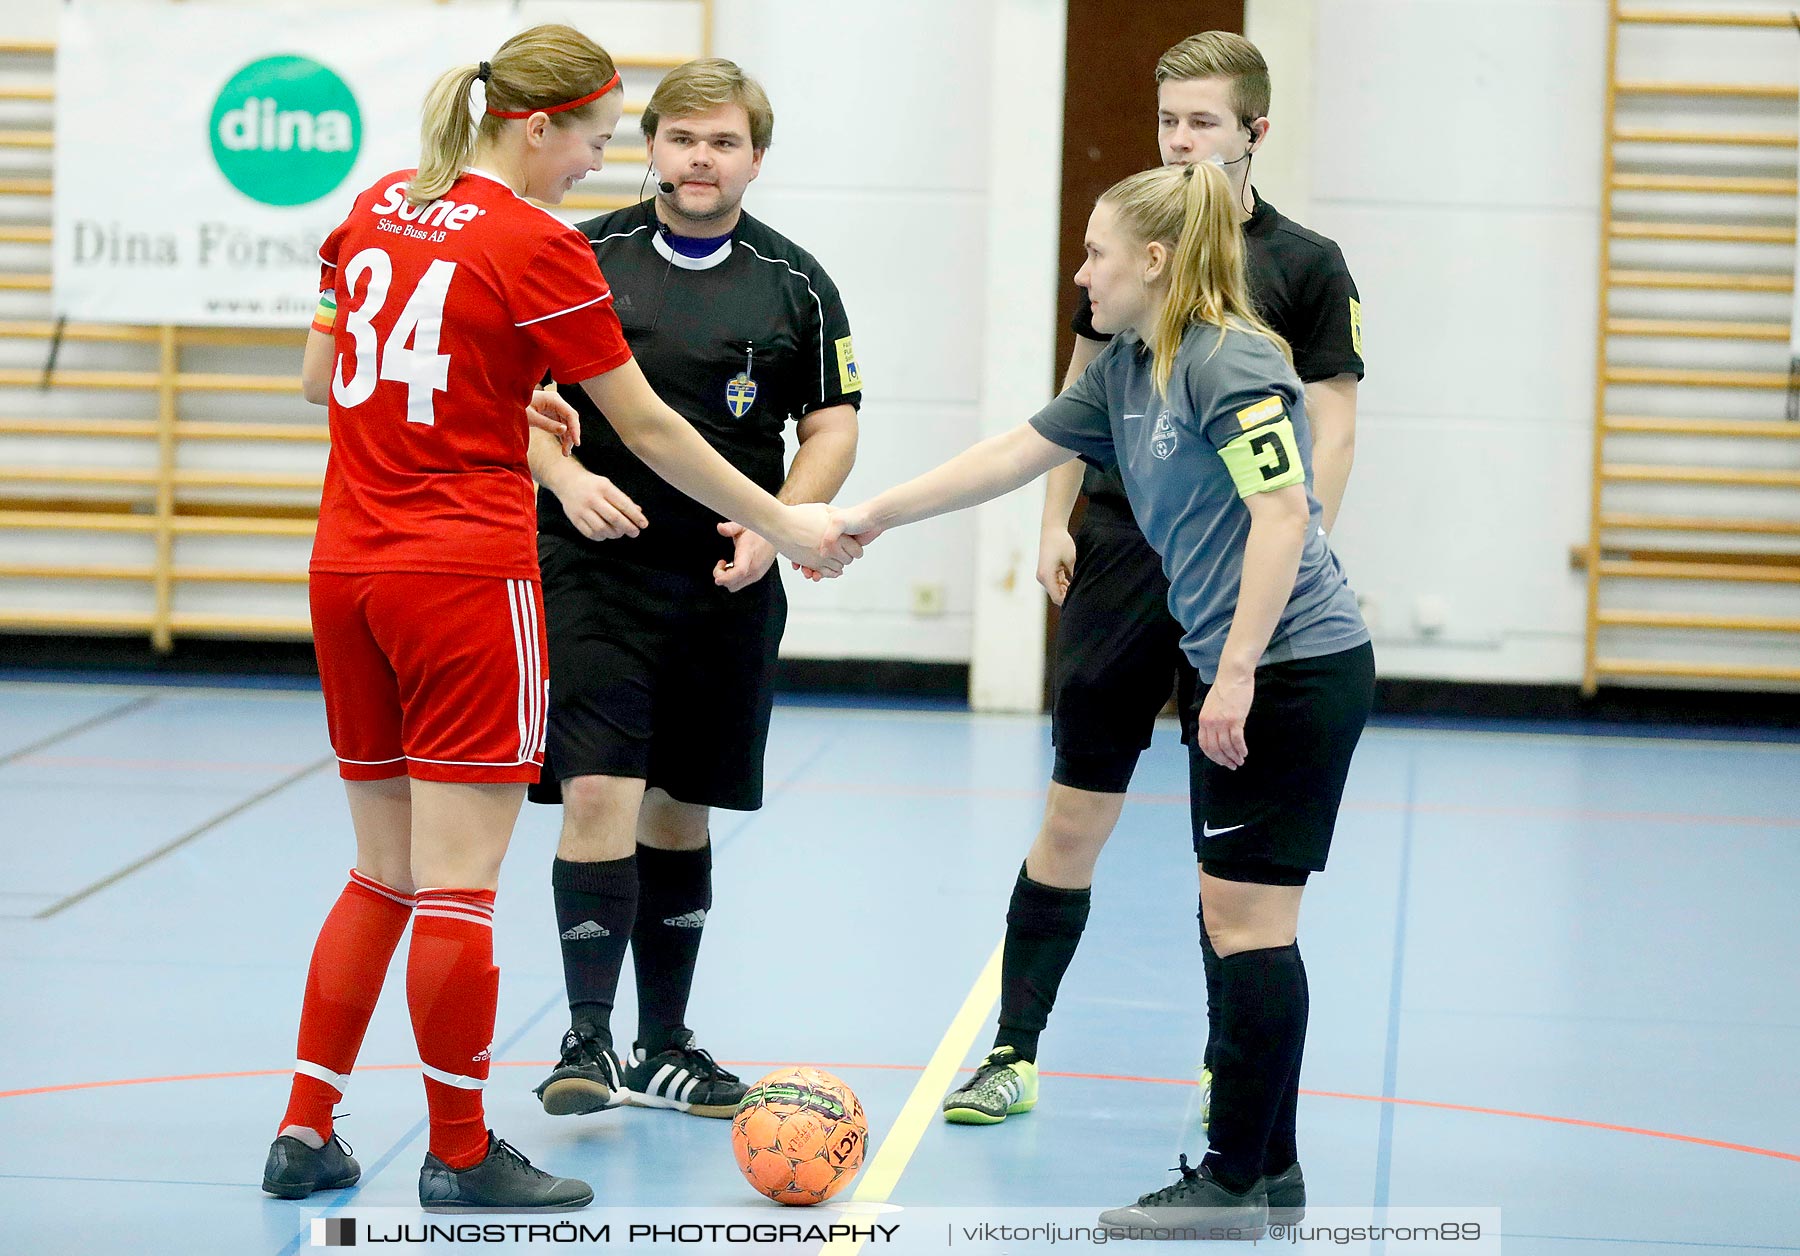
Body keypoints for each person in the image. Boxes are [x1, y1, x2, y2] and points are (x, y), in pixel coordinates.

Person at [264, 25, 850, 1213]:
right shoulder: (536, 243)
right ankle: (464, 1151)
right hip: (464, 577)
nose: (598, 162)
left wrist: (501, 402)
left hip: (348, 567)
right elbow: (650, 431)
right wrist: (787, 524)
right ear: (535, 127)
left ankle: (304, 1125)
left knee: (380, 869)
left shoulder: (379, 202)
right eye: (591, 138)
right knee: (457, 886)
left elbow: (322, 382)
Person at [831, 162, 1375, 1235]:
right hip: (1261, 663)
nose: (1082, 271)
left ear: (1155, 263)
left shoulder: (1234, 361)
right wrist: (872, 516)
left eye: (1096, 252)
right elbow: (1008, 455)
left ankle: (1232, 1182)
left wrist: (1233, 673)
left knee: (1251, 922)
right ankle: (1266, 1169)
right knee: (1240, 917)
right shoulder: (1128, 367)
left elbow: (1282, 515)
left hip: (1294, 668)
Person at [941, 32, 1364, 1213]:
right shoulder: (1127, 268)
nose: (1181, 139)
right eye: (1169, 120)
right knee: (1082, 809)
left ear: (1253, 133)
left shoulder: (1288, 280)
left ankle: (1239, 1129)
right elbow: (1059, 416)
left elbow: (1317, 442)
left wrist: (1286, 574)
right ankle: (1016, 1045)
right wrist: (1048, 520)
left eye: (1204, 123)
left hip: (1254, 590)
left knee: (1236, 888)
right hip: (1134, 559)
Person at [522, 58, 862, 1121]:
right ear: (650, 147)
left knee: (679, 810)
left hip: (724, 580)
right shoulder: (580, 256)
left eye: (722, 141)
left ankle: (664, 1043)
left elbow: (833, 424)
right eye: (680, 138)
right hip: (593, 570)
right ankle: (586, 1037)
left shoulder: (796, 281)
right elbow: (514, 397)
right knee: (599, 789)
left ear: (756, 157)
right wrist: (568, 480)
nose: (699, 158)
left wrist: (778, 525)